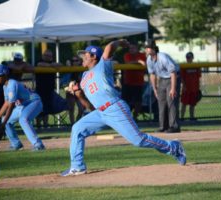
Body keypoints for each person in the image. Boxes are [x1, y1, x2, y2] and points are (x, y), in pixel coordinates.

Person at [61, 39, 186, 176]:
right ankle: (77, 166)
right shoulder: (84, 77)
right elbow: (89, 106)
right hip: (100, 112)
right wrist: (78, 94)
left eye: (85, 54)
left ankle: (173, 147)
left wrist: (121, 42)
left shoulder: (103, 66)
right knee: (77, 128)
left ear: (94, 56)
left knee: (138, 140)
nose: (82, 57)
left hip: (115, 108)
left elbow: (109, 47)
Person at [0, 64, 45, 151]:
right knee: (5, 120)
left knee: (23, 119)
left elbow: (11, 106)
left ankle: (38, 144)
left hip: (34, 102)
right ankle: (16, 144)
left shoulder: (12, 84)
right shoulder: (5, 86)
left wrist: (3, 124)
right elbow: (6, 103)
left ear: (5, 75)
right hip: (23, 106)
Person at [145, 39, 181, 133]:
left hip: (173, 78)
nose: (147, 49)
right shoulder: (149, 60)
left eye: (148, 47)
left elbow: (173, 73)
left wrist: (173, 89)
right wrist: (155, 89)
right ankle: (163, 126)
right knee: (161, 103)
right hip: (162, 79)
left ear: (154, 48)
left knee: (171, 101)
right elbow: (152, 74)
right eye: (146, 48)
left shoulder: (163, 57)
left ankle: (174, 126)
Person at [35, 49, 67, 127]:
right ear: (43, 56)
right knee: (38, 109)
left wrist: (52, 65)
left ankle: (46, 125)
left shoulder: (53, 63)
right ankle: (38, 126)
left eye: (50, 56)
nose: (48, 57)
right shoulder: (39, 62)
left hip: (49, 91)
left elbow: (60, 64)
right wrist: (52, 66)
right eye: (46, 56)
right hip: (40, 90)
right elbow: (40, 64)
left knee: (47, 109)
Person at [122, 43, 146, 120]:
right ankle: (126, 117)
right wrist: (138, 61)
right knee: (125, 101)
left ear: (137, 49)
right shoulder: (127, 55)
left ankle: (135, 117)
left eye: (133, 48)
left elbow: (144, 63)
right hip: (128, 82)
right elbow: (128, 62)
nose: (131, 50)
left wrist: (138, 62)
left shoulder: (142, 55)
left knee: (138, 102)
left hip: (138, 82)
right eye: (130, 48)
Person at [180, 52, 201, 121]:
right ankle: (182, 117)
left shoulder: (196, 66)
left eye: (190, 57)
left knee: (192, 104)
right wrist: (184, 86)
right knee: (184, 104)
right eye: (187, 57)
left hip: (194, 88)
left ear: (192, 58)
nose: (188, 59)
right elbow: (182, 78)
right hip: (186, 89)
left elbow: (198, 76)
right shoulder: (184, 66)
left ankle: (192, 117)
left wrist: (198, 88)